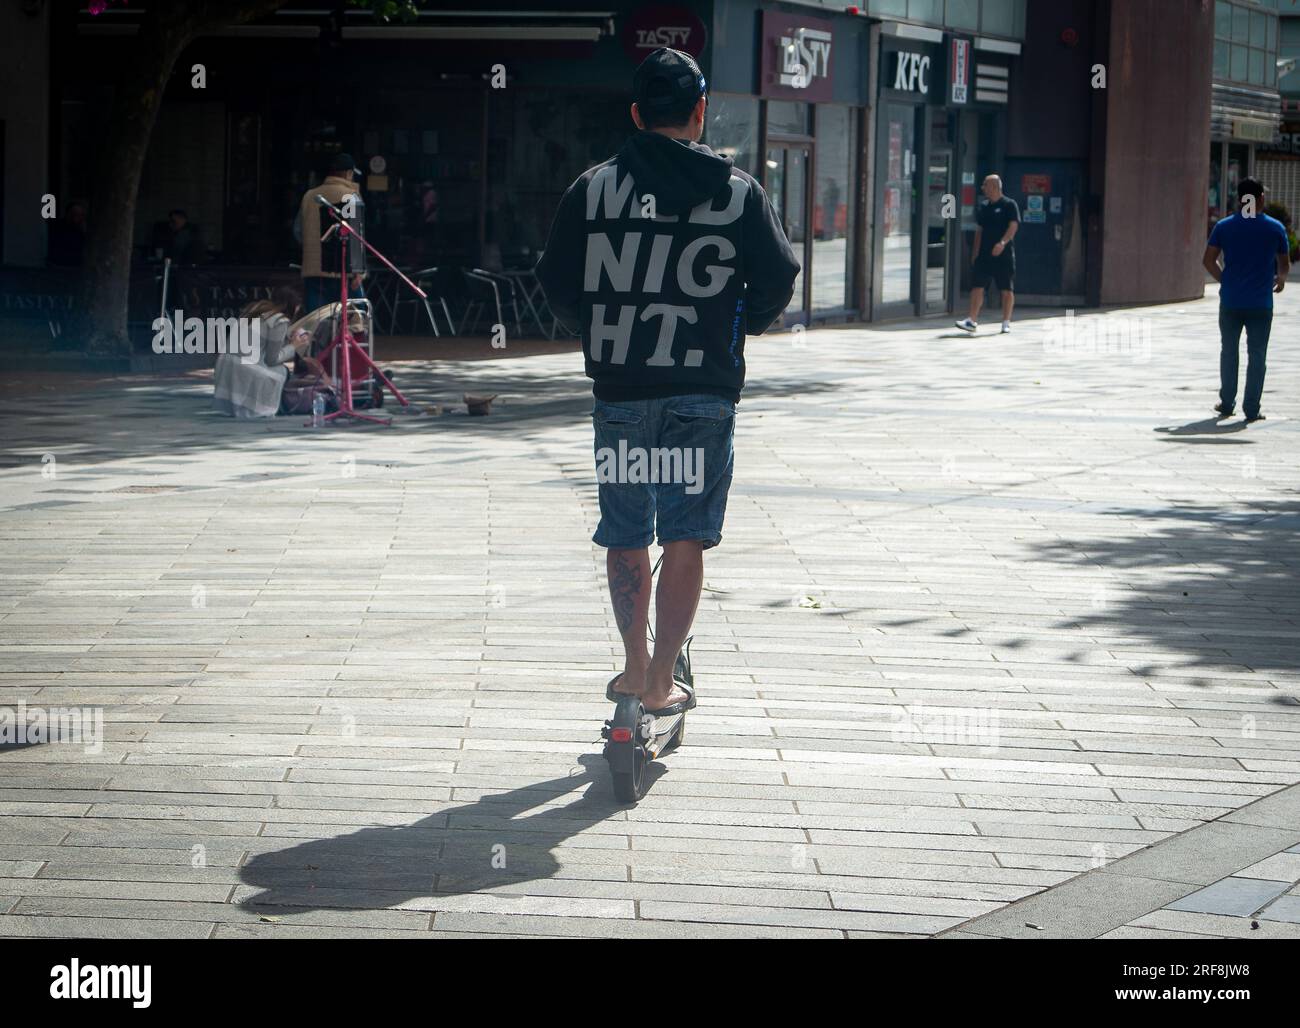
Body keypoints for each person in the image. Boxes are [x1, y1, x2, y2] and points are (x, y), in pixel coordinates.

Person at [536, 47, 799, 713]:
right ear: (700, 111)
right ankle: (660, 682)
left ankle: (631, 670)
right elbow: (778, 276)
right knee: (686, 534)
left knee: (625, 531)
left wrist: (596, 328)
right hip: (703, 391)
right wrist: (741, 326)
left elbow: (556, 281)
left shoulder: (592, 188)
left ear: (635, 114)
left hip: (621, 391)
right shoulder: (738, 192)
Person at [1202, 176, 1290, 424]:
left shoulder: (1224, 226)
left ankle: (1227, 402)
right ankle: (1251, 408)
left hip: (1231, 302)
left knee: (1229, 352)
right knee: (1257, 355)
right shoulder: (1275, 228)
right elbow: (1284, 263)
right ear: (1260, 198)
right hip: (1261, 304)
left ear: (1240, 199)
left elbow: (1208, 260)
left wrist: (1225, 280)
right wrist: (1281, 279)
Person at [213, 287, 310, 418]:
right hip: (246, 369)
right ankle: (273, 405)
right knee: (283, 371)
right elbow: (272, 360)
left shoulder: (254, 310)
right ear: (293, 305)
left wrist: (287, 339)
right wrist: (294, 346)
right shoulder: (280, 320)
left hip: (226, 366)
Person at [298, 153, 365, 312]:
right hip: (343, 270)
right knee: (355, 317)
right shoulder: (351, 196)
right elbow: (356, 235)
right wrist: (358, 271)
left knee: (316, 319)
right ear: (348, 173)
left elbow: (298, 231)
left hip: (314, 271)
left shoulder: (309, 196)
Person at [956, 174, 1020, 335]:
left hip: (1003, 254)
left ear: (995, 187)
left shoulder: (1009, 205)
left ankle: (1006, 322)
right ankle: (971, 320)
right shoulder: (984, 206)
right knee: (977, 286)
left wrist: (1002, 243)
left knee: (1006, 288)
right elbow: (980, 230)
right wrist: (975, 252)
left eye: (985, 185)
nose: (983, 187)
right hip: (984, 255)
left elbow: (1013, 226)